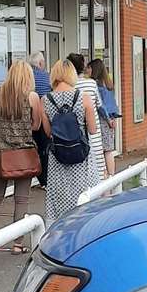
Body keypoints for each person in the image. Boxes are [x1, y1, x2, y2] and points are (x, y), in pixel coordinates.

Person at [0, 59, 45, 253]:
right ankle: (18, 244)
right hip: (23, 154)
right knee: (21, 200)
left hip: (0, 155)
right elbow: (36, 125)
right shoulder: (31, 97)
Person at [43, 59, 99, 223]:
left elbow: (48, 132)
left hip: (58, 160)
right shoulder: (84, 98)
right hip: (82, 160)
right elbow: (93, 129)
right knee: (85, 202)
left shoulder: (45, 100)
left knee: (59, 203)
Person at [67, 53, 107, 184]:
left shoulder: (68, 86)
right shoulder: (91, 83)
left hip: (75, 134)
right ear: (82, 66)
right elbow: (99, 104)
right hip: (93, 132)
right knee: (99, 169)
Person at [89, 58, 121, 180]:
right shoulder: (108, 84)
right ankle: (112, 175)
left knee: (102, 150)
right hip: (112, 118)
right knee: (109, 150)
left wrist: (107, 119)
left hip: (103, 119)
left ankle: (106, 175)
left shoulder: (97, 86)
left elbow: (101, 106)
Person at [29, 51, 52, 189]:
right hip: (44, 117)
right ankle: (45, 180)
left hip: (30, 118)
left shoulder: (28, 77)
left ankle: (37, 175)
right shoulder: (47, 76)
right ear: (41, 63)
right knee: (45, 148)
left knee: (34, 148)